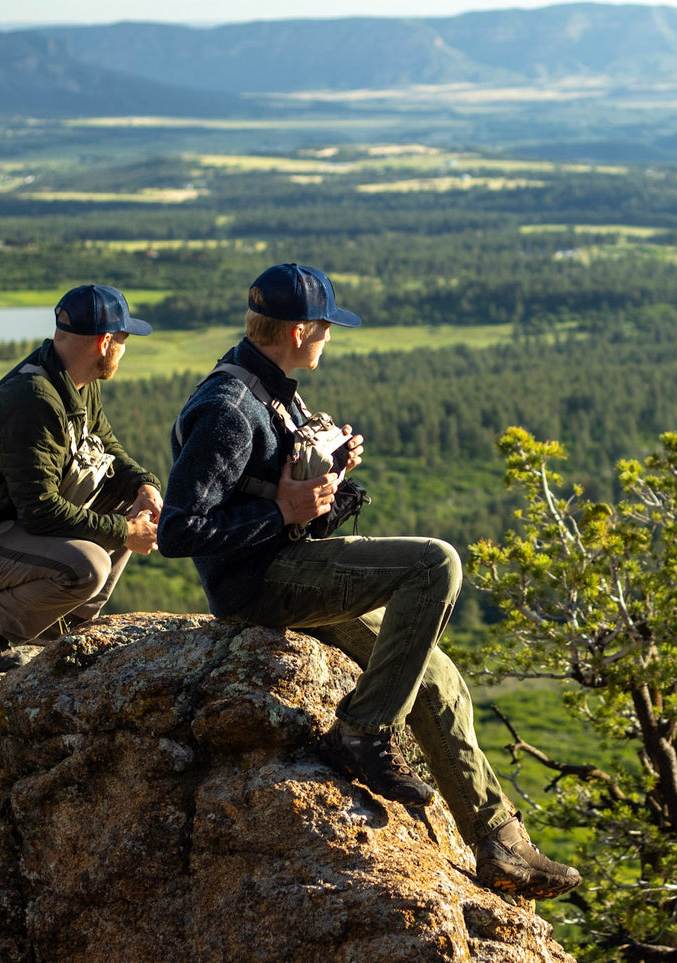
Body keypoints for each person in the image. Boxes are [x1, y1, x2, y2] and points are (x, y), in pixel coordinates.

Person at [158, 263, 582, 900]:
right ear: (300, 330)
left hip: (289, 567)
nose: (330, 337)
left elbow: (285, 496)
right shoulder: (229, 407)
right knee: (434, 562)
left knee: (437, 676)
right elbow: (179, 531)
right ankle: (361, 731)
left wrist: (325, 476)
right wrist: (283, 511)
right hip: (262, 585)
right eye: (326, 327)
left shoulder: (274, 388)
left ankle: (499, 843)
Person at [0, 284, 163, 672]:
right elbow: (40, 511)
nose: (125, 348)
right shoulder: (34, 399)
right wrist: (124, 533)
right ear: (104, 343)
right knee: (88, 565)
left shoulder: (77, 383)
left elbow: (107, 448)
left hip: (12, 527)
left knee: (130, 506)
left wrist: (144, 486)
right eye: (123, 339)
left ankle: (59, 627)